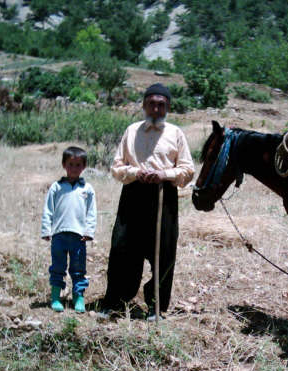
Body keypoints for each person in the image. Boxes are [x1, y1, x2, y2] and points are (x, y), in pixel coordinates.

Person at [99, 83, 195, 320]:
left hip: (164, 196)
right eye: (151, 104)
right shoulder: (132, 131)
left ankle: (156, 306)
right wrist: (136, 172)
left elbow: (187, 170)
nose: (156, 109)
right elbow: (116, 167)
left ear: (168, 107)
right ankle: (115, 302)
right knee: (122, 248)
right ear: (144, 105)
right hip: (133, 194)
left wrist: (164, 174)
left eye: (161, 105)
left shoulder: (176, 133)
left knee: (163, 252)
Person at [41, 146, 97, 313]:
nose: (74, 168)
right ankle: (55, 297)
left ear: (84, 166)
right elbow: (48, 209)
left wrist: (89, 232)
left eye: (78, 165)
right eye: (70, 164)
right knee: (58, 267)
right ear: (64, 165)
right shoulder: (56, 187)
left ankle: (78, 298)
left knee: (78, 269)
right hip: (59, 235)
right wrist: (46, 230)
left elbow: (91, 212)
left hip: (78, 237)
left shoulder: (87, 189)